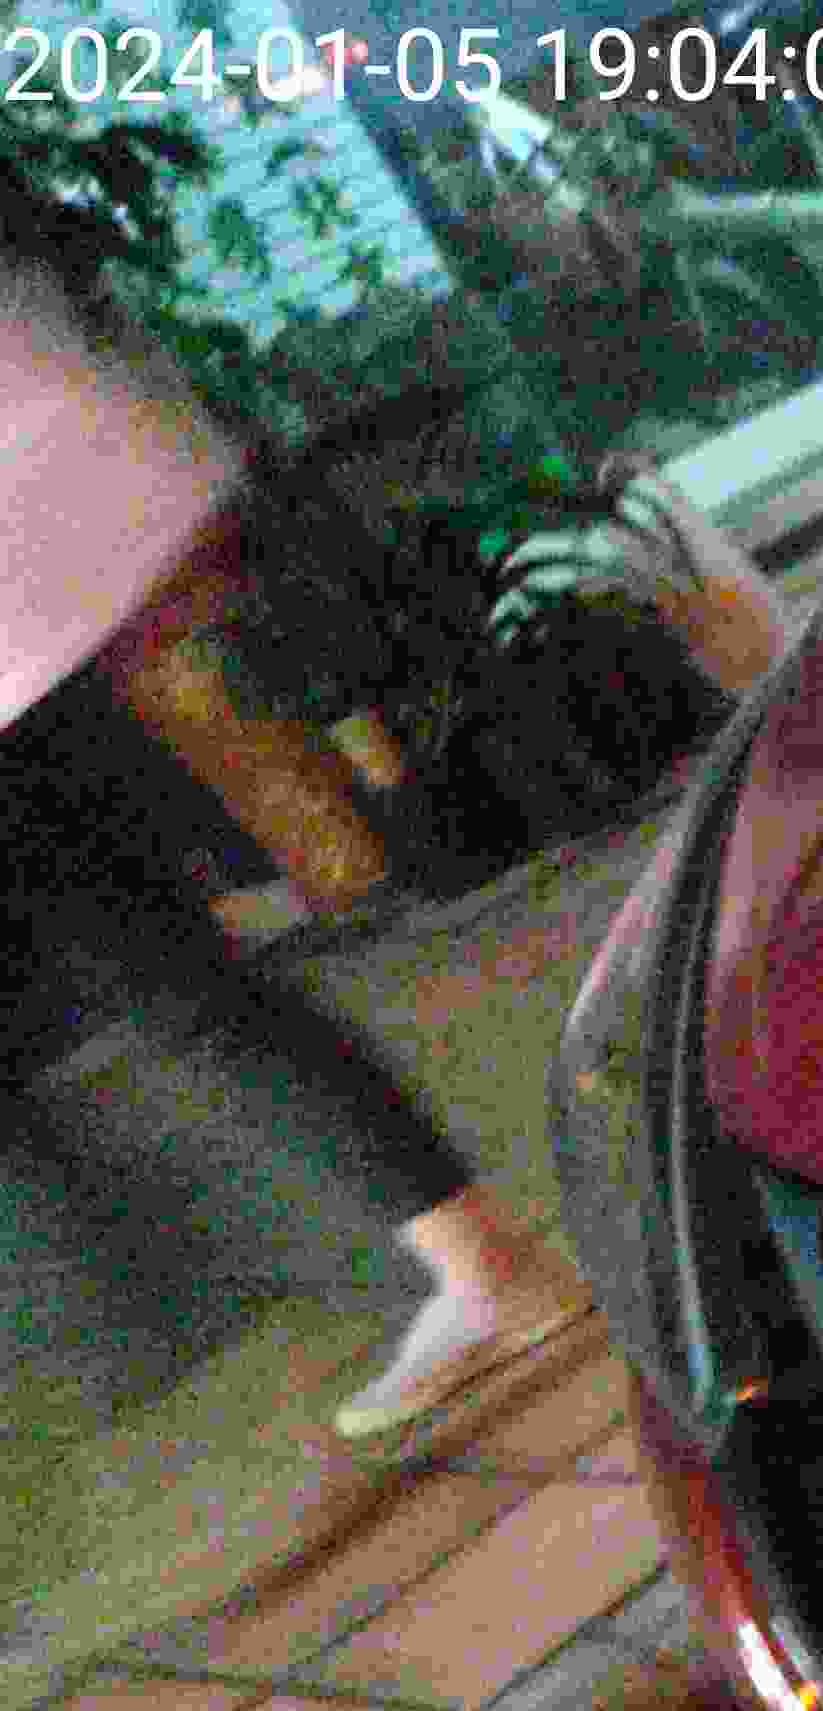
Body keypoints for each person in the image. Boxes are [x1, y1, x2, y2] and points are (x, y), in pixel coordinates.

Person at [0, 246, 584, 1443]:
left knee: (182, 995)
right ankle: (467, 1262)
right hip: (36, 637)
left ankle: (470, 1267)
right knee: (182, 993)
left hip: (22, 661)